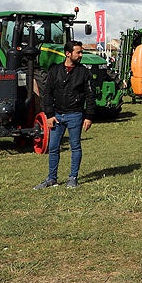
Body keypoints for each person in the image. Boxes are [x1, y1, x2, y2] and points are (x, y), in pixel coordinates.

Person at [35, 41, 96, 190]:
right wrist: (49, 115)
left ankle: (73, 178)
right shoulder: (54, 71)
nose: (81, 55)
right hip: (56, 116)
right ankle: (51, 179)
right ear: (68, 54)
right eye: (78, 52)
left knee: (75, 147)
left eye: (81, 52)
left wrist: (89, 116)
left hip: (75, 115)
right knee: (53, 147)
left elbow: (90, 95)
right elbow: (47, 93)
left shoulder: (84, 72)